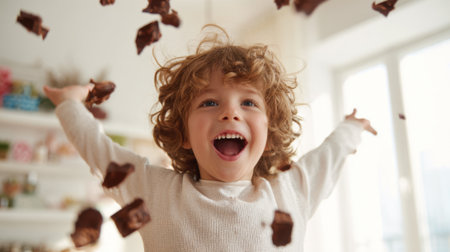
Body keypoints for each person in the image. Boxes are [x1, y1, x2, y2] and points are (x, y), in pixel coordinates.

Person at [43, 25, 376, 251]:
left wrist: (351, 127)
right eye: (209, 102)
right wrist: (70, 105)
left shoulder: (291, 193)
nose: (230, 113)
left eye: (248, 102)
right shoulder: (155, 193)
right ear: (185, 134)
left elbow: (328, 156)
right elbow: (99, 151)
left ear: (270, 134)